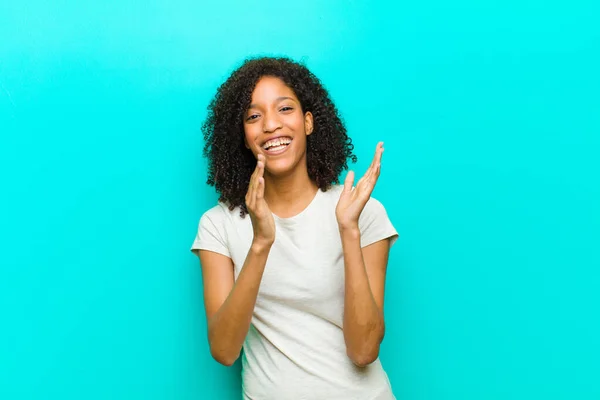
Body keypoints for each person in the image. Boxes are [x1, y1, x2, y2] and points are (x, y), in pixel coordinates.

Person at [191, 56, 398, 400]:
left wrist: (348, 230)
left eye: (284, 109)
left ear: (308, 122)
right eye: (254, 116)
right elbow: (225, 351)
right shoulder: (218, 225)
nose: (271, 125)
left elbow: (364, 351)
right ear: (243, 137)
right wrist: (261, 244)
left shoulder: (361, 212)